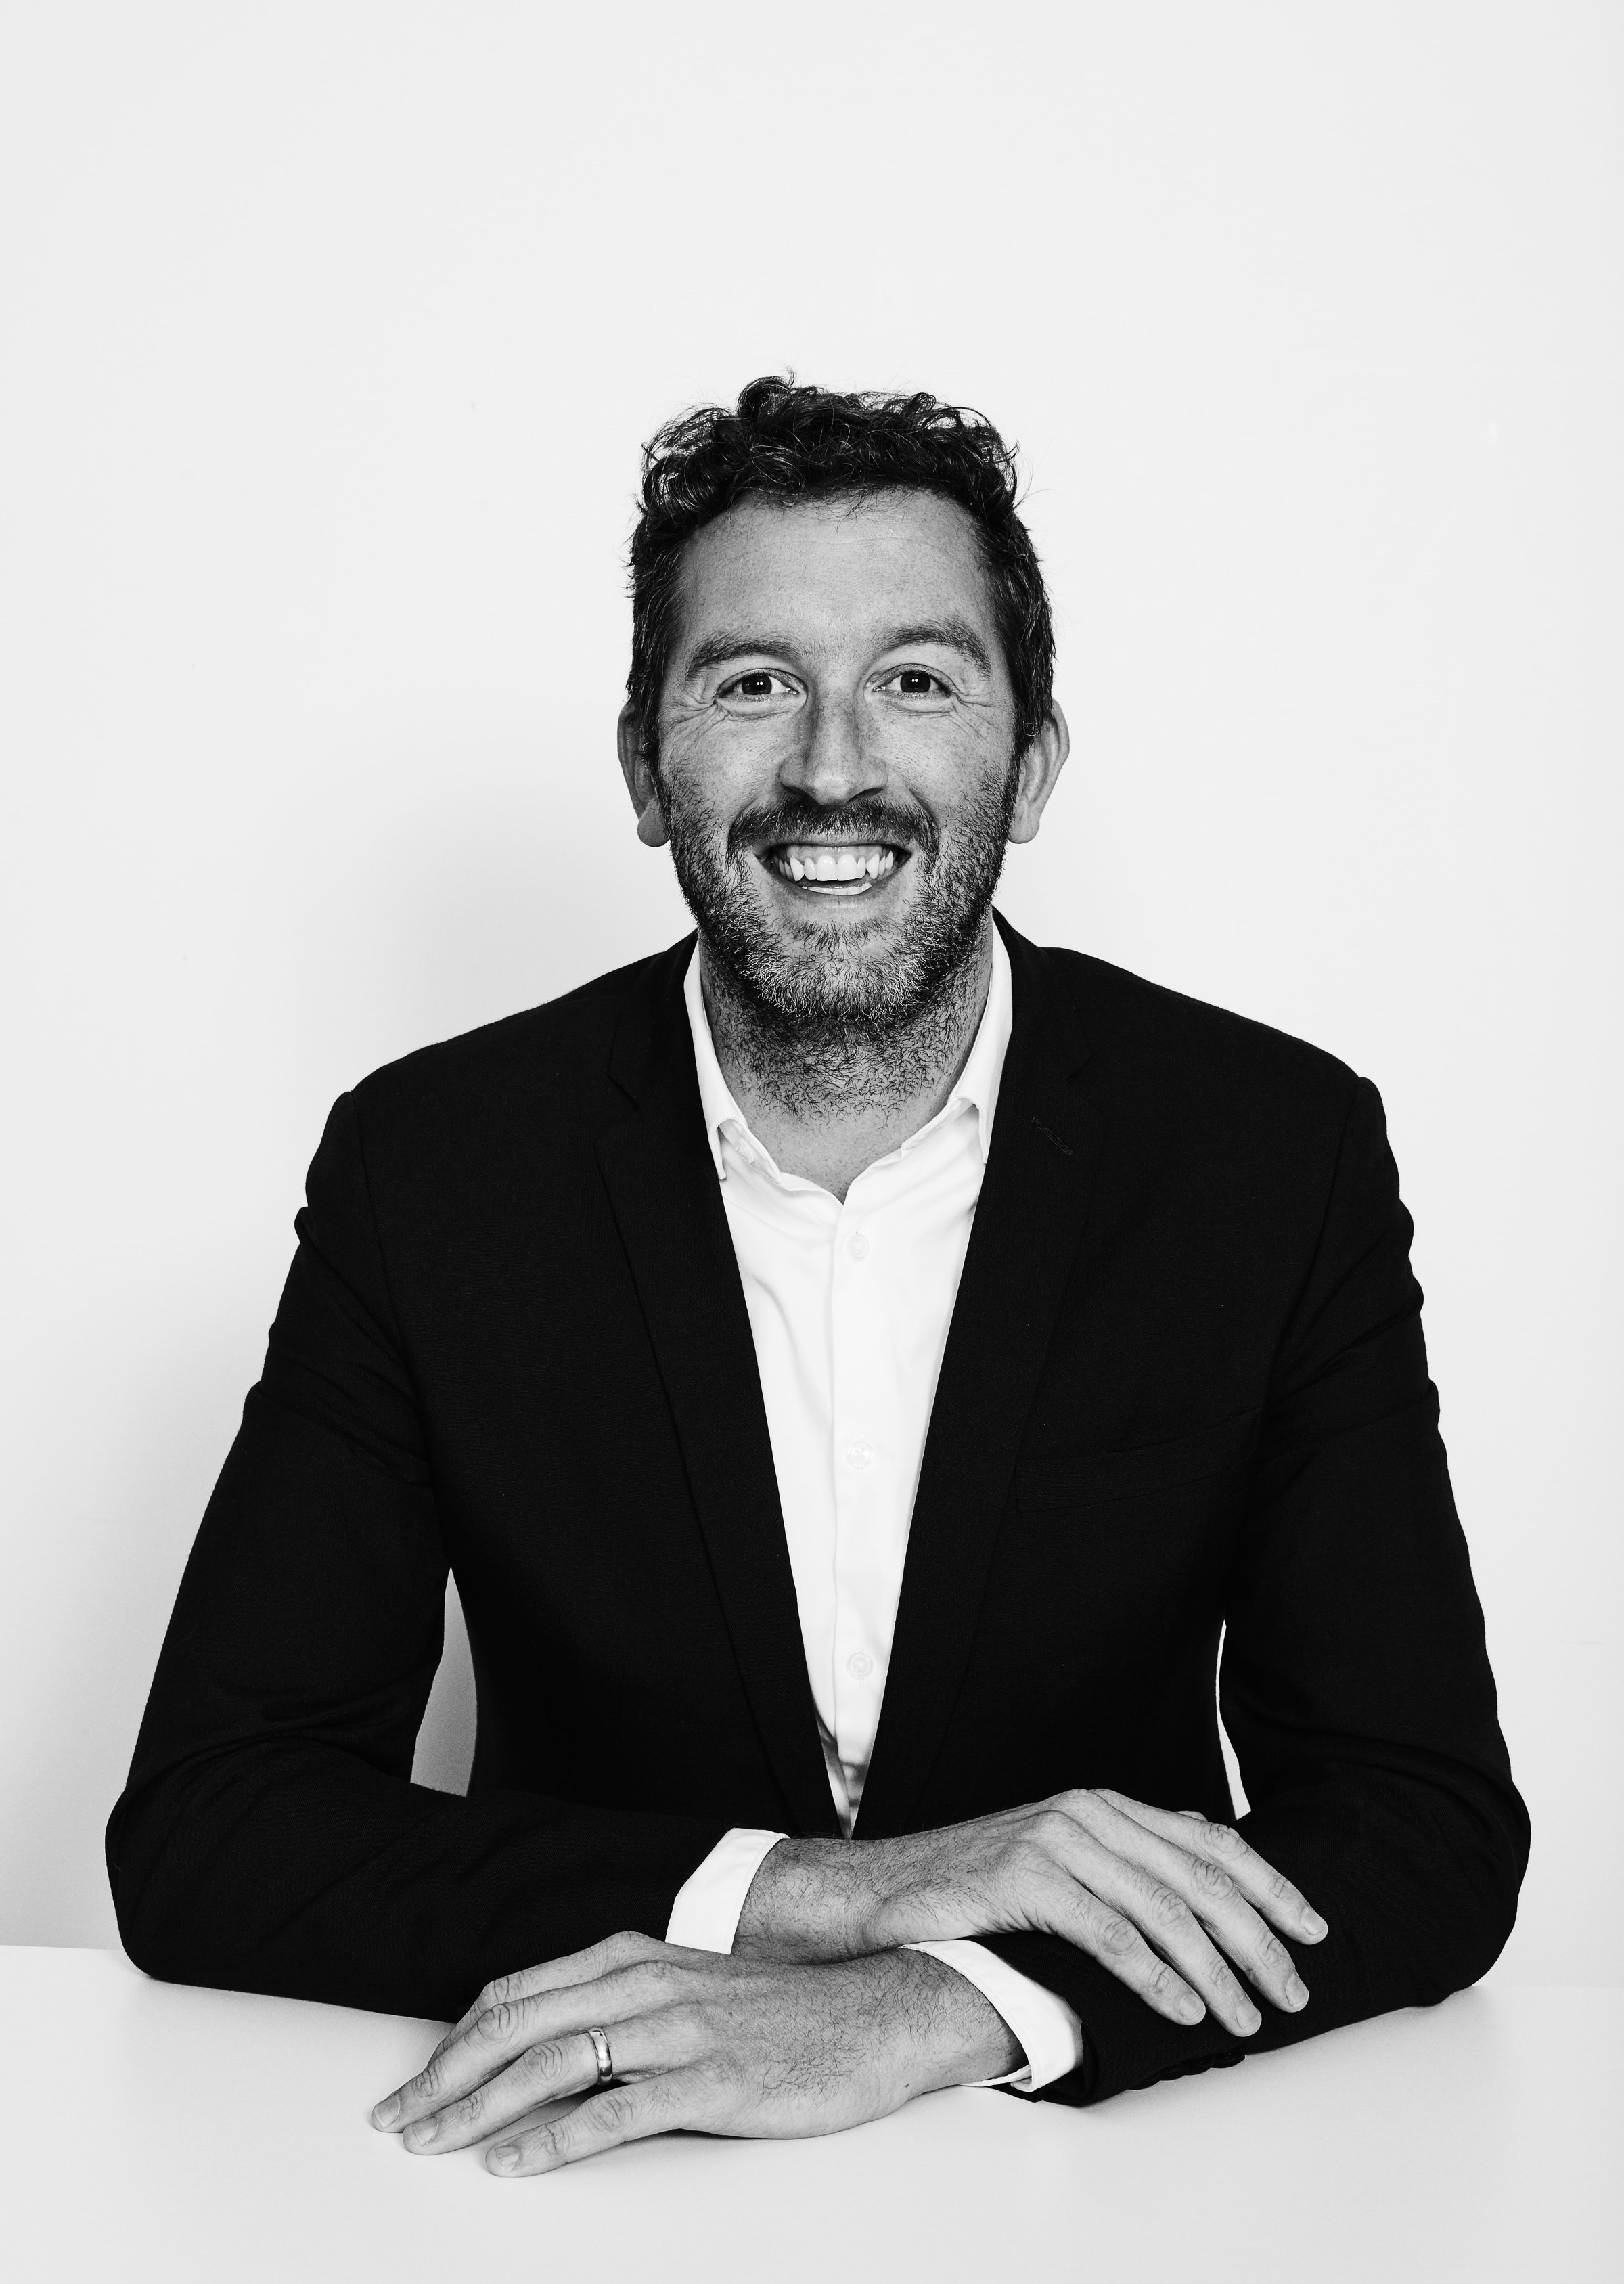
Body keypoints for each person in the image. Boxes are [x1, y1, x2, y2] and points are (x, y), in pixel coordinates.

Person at [108, 377, 1529, 2178]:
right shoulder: (435, 1168)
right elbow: (213, 1834)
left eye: (921, 681)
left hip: (1125, 2198)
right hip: (573, 2182)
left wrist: (941, 1997)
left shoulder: (1272, 1152)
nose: (835, 766)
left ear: (1032, 763)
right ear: (645, 765)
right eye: (752, 681)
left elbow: (1422, 1824)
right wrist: (808, 1898)